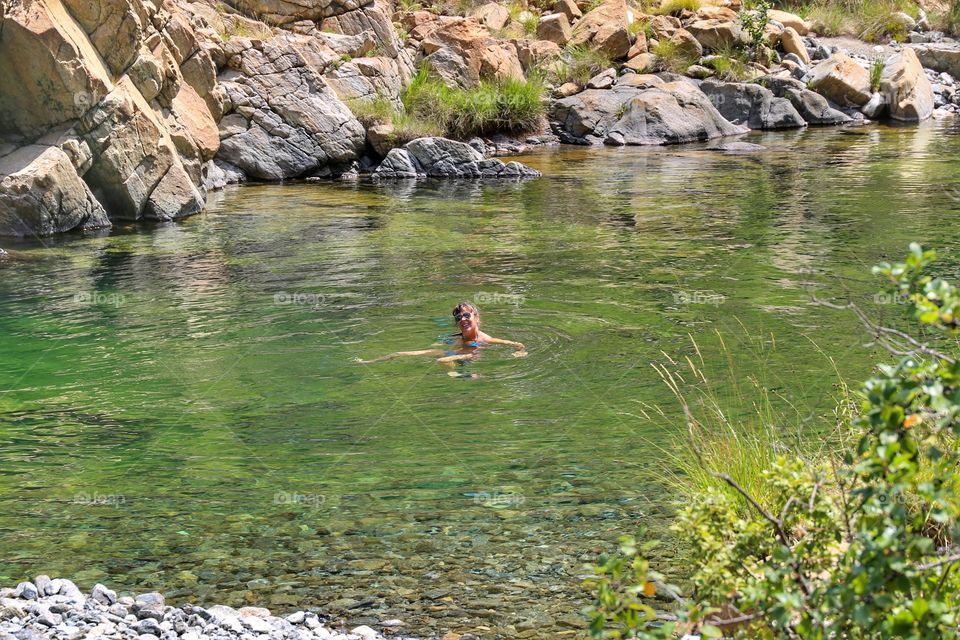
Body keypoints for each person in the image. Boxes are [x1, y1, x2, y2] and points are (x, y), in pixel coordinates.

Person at [355, 302, 526, 375]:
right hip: (451, 352)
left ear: (477, 317)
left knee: (443, 360)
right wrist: (438, 344)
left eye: (466, 315)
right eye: (459, 318)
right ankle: (368, 363)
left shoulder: (485, 339)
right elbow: (439, 345)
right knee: (399, 353)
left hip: (470, 355)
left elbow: (517, 344)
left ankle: (456, 374)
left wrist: (520, 352)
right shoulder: (453, 337)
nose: (463, 319)